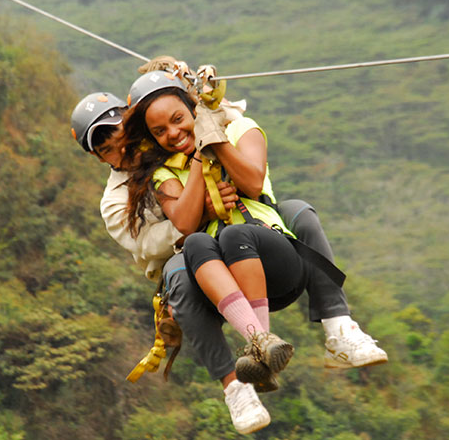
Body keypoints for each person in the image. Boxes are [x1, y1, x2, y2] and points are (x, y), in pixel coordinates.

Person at [117, 70, 388, 434]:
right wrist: (199, 156)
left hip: (272, 257)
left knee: (243, 233)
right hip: (223, 284)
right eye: (160, 131)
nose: (172, 134)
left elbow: (252, 181)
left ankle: (336, 330)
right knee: (196, 244)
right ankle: (257, 348)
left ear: (193, 108)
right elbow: (183, 222)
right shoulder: (165, 172)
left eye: (178, 120)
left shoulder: (241, 130)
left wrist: (214, 140)